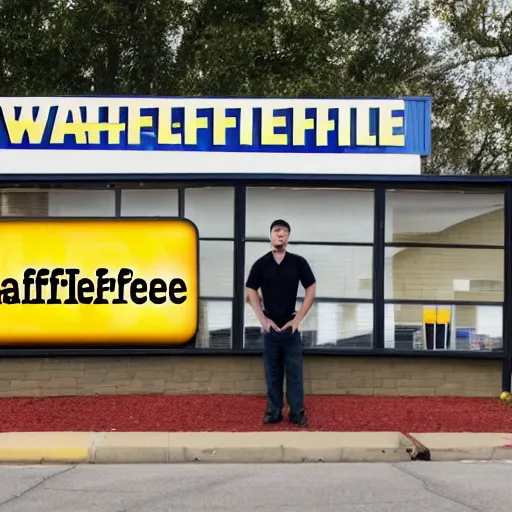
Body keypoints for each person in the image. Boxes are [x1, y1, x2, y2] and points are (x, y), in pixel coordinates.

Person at [245, 219, 316, 427]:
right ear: (271, 235)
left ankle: (296, 413)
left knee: (294, 374)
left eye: (285, 232)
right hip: (271, 332)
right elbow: (250, 290)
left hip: (290, 330)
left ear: (288, 237)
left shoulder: (298, 262)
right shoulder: (261, 264)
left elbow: (311, 287)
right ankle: (274, 411)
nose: (281, 235)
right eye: (277, 231)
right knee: (273, 373)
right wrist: (263, 319)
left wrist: (297, 319)